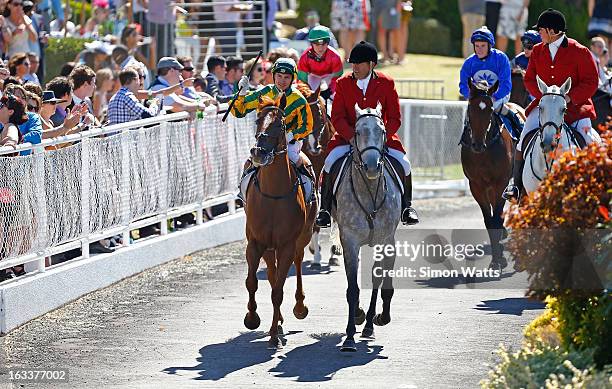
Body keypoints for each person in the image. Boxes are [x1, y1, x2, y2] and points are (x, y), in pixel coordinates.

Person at [315, 41, 418, 227]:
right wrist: (351, 137)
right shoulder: (343, 83)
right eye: (352, 63)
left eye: (359, 63)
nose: (354, 67)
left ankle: (406, 207)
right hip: (349, 139)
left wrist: (382, 137)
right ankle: (325, 210)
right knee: (329, 163)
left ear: (371, 64)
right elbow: (337, 117)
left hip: (380, 140)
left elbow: (395, 118)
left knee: (405, 164)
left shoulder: (386, 83)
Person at [503, 9, 601, 200]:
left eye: (540, 30)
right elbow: (529, 79)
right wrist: (547, 97)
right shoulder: (539, 50)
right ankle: (514, 185)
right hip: (545, 107)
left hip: (575, 109)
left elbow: (591, 81)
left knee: (592, 142)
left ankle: (597, 189)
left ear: (551, 31)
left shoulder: (580, 51)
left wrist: (570, 98)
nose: (538, 34)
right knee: (524, 138)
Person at [231, 57, 313, 174]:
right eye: (279, 76)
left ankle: (309, 186)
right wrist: (241, 94)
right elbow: (239, 112)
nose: (282, 80)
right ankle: (242, 191)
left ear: (292, 79)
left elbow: (307, 125)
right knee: (249, 164)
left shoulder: (299, 100)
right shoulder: (265, 92)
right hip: (264, 140)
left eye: (286, 77)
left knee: (293, 157)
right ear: (274, 76)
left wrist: (291, 135)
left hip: (290, 142)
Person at [458, 26, 522, 142]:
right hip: (477, 97)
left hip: (498, 96)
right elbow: (463, 85)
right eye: (477, 46)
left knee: (498, 108)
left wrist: (494, 97)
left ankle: (520, 132)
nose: (479, 49)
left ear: (489, 46)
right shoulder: (469, 62)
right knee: (470, 114)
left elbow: (506, 85)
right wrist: (471, 97)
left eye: (483, 46)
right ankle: (464, 140)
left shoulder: (501, 58)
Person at [297, 25, 343, 100]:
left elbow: (338, 77)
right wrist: (306, 91)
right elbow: (302, 80)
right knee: (308, 96)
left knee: (335, 96)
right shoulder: (304, 57)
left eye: (323, 44)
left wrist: (330, 90)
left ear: (328, 43)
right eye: (317, 44)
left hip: (329, 76)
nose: (320, 48)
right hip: (313, 76)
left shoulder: (335, 56)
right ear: (311, 43)